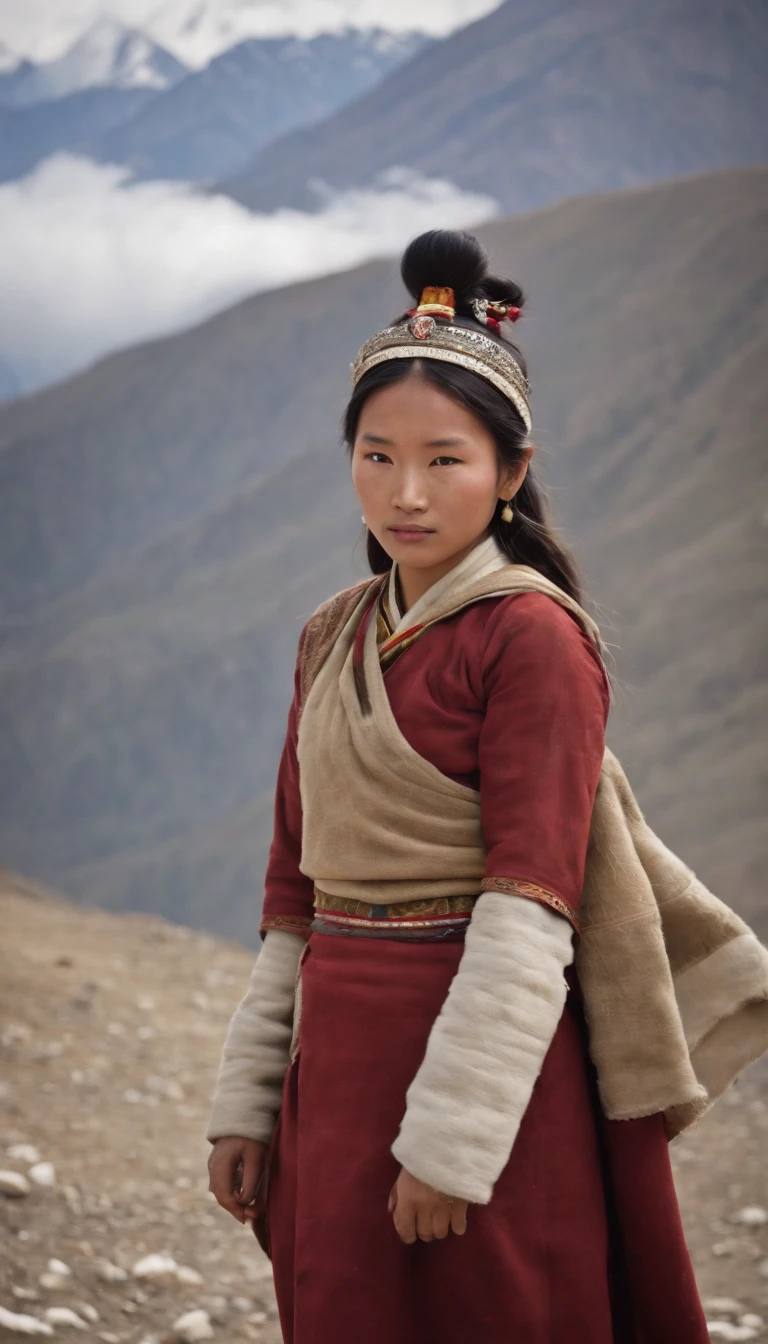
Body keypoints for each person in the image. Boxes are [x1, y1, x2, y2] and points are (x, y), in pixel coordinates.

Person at [205, 229, 712, 1341]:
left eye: (447, 459)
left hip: (484, 1086)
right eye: (377, 455)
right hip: (333, 1071)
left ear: (512, 472)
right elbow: (292, 897)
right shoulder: (330, 637)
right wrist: (248, 1108)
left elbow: (531, 906)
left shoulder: (532, 641)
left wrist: (450, 1146)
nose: (407, 493)